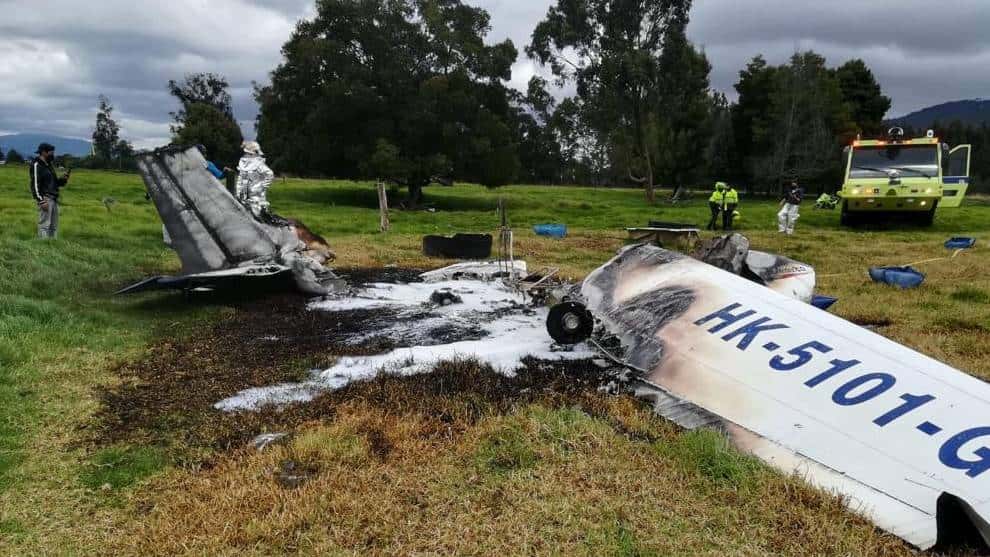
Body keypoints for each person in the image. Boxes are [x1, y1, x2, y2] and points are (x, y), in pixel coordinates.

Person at [29, 143, 70, 239]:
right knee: (45, 225)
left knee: (53, 226)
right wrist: (41, 200)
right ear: (43, 152)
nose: (52, 155)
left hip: (54, 198)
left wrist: (63, 180)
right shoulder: (36, 165)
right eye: (51, 153)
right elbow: (35, 184)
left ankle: (53, 246)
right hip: (45, 199)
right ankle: (43, 247)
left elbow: (55, 182)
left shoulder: (49, 165)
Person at [235, 141, 275, 220]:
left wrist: (259, 187)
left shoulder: (259, 164)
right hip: (244, 198)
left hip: (257, 199)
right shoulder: (243, 164)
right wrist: (238, 192)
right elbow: (240, 179)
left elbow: (270, 174)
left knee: (258, 217)